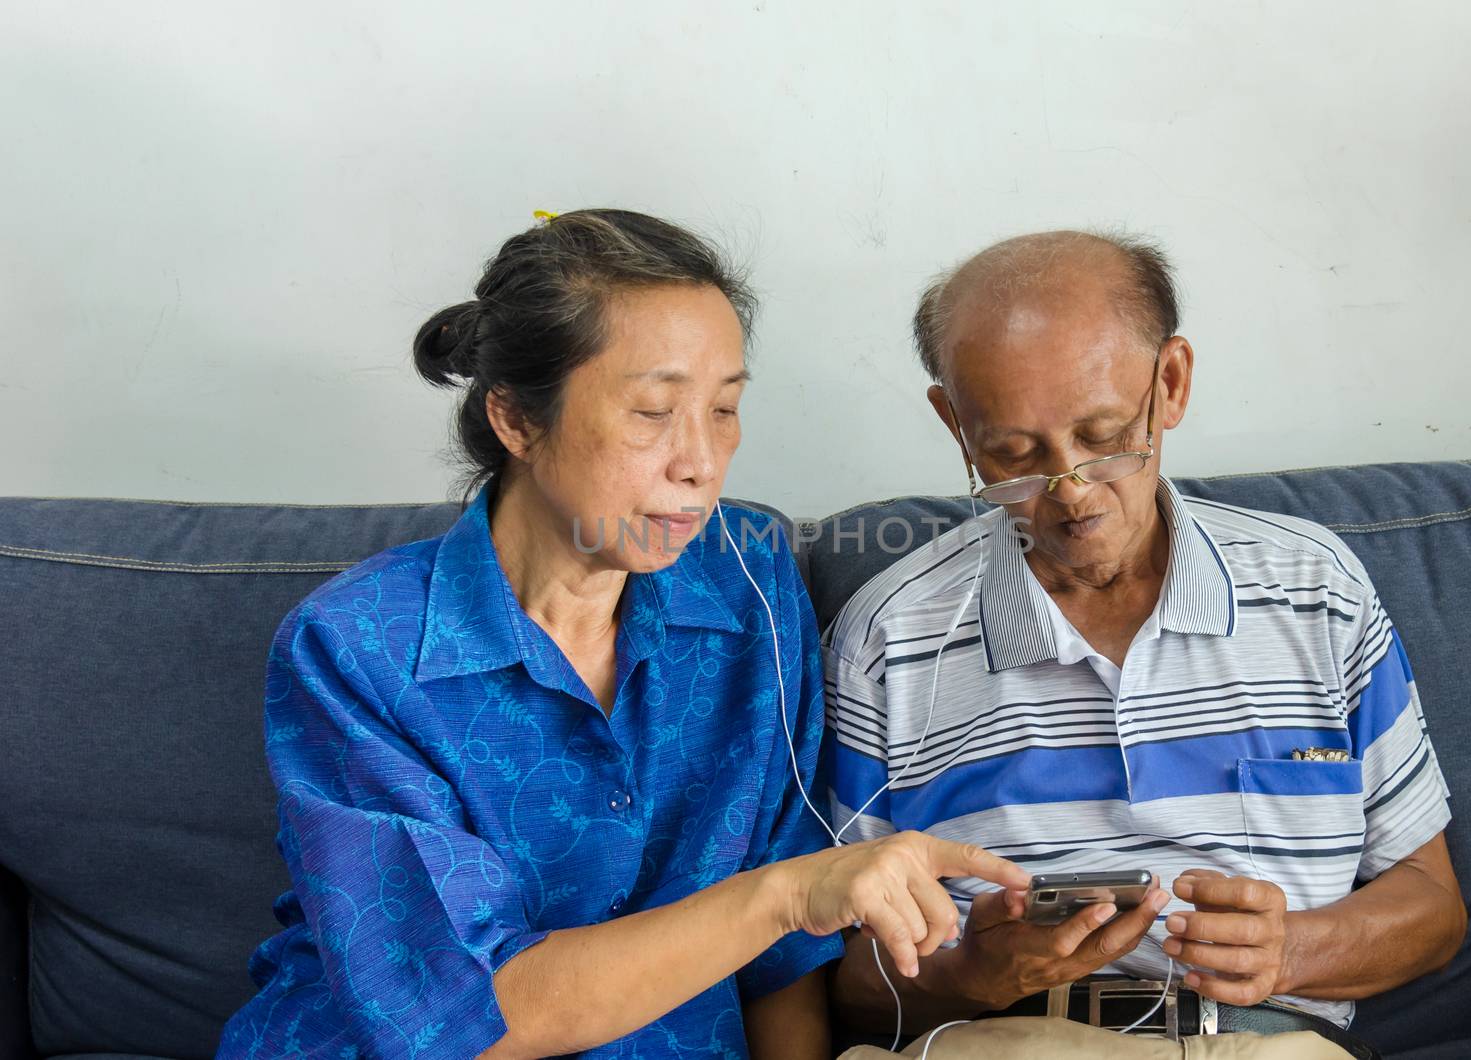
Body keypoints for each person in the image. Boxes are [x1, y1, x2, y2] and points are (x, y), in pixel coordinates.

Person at [218, 209, 1028, 1059]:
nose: (701, 461)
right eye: (652, 411)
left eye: (724, 409)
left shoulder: (749, 585)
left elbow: (783, 960)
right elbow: (465, 1019)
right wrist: (785, 895)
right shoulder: (357, 648)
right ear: (517, 421)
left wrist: (792, 906)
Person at [822, 230, 1466, 1053]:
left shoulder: (1316, 590)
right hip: (1013, 1042)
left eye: (1103, 437)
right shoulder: (888, 637)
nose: (1071, 495)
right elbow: (838, 986)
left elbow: (1433, 906)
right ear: (954, 423)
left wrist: (1292, 951)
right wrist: (973, 979)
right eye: (1013, 456)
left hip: (1267, 1040)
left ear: (1170, 383)